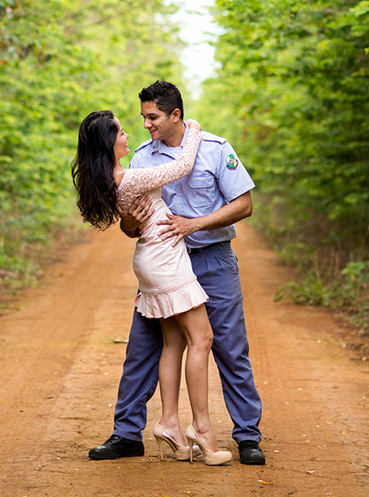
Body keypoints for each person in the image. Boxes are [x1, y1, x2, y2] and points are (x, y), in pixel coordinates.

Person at [87, 80, 265, 466]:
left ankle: (248, 435)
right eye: (142, 118)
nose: (147, 125)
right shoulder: (140, 160)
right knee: (142, 347)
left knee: (231, 348)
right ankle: (126, 433)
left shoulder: (216, 150)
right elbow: (131, 225)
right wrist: (130, 224)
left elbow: (245, 204)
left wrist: (195, 224)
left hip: (211, 259)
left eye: (152, 117)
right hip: (166, 263)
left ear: (175, 115)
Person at [72, 110, 232, 465]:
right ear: (109, 144)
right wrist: (193, 128)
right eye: (121, 132)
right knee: (202, 339)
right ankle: (202, 431)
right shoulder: (127, 179)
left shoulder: (112, 178)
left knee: (173, 342)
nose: (129, 134)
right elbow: (181, 168)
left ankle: (169, 424)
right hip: (164, 260)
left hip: (152, 256)